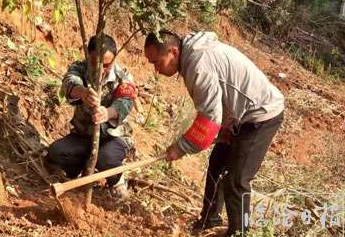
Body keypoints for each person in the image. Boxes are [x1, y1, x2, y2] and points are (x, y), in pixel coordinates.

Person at [144, 30, 284, 236]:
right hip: (238, 116)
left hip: (261, 115)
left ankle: (241, 232)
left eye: (156, 62)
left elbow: (209, 116)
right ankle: (209, 220)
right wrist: (225, 127)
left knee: (237, 180)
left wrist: (181, 147)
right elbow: (219, 99)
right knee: (217, 164)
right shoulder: (193, 57)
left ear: (173, 52)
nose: (156, 69)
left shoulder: (198, 64)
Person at [47, 34, 136, 198]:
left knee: (106, 158)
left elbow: (125, 103)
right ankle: (77, 173)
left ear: (114, 59)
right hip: (83, 136)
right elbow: (68, 83)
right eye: (95, 64)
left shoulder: (123, 76)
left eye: (107, 65)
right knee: (56, 152)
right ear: (88, 56)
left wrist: (107, 113)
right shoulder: (80, 68)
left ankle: (117, 180)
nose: (101, 70)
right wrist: (82, 92)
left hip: (113, 138)